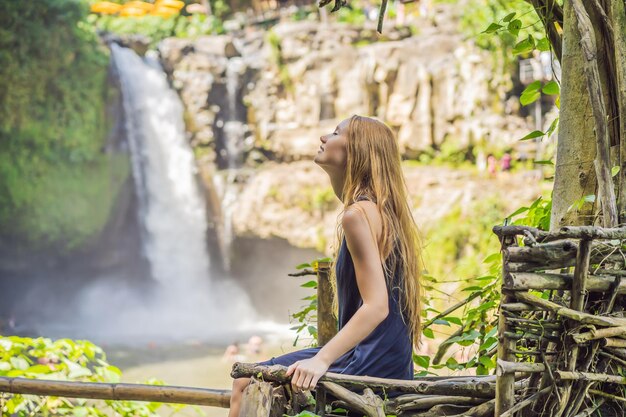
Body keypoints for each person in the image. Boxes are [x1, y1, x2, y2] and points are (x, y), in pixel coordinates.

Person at [228, 115, 424, 416]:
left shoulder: (357, 216)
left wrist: (321, 360)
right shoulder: (381, 211)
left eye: (334, 133)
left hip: (369, 363)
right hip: (391, 362)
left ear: (356, 150)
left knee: (244, 380)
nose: (323, 137)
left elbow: (377, 306)